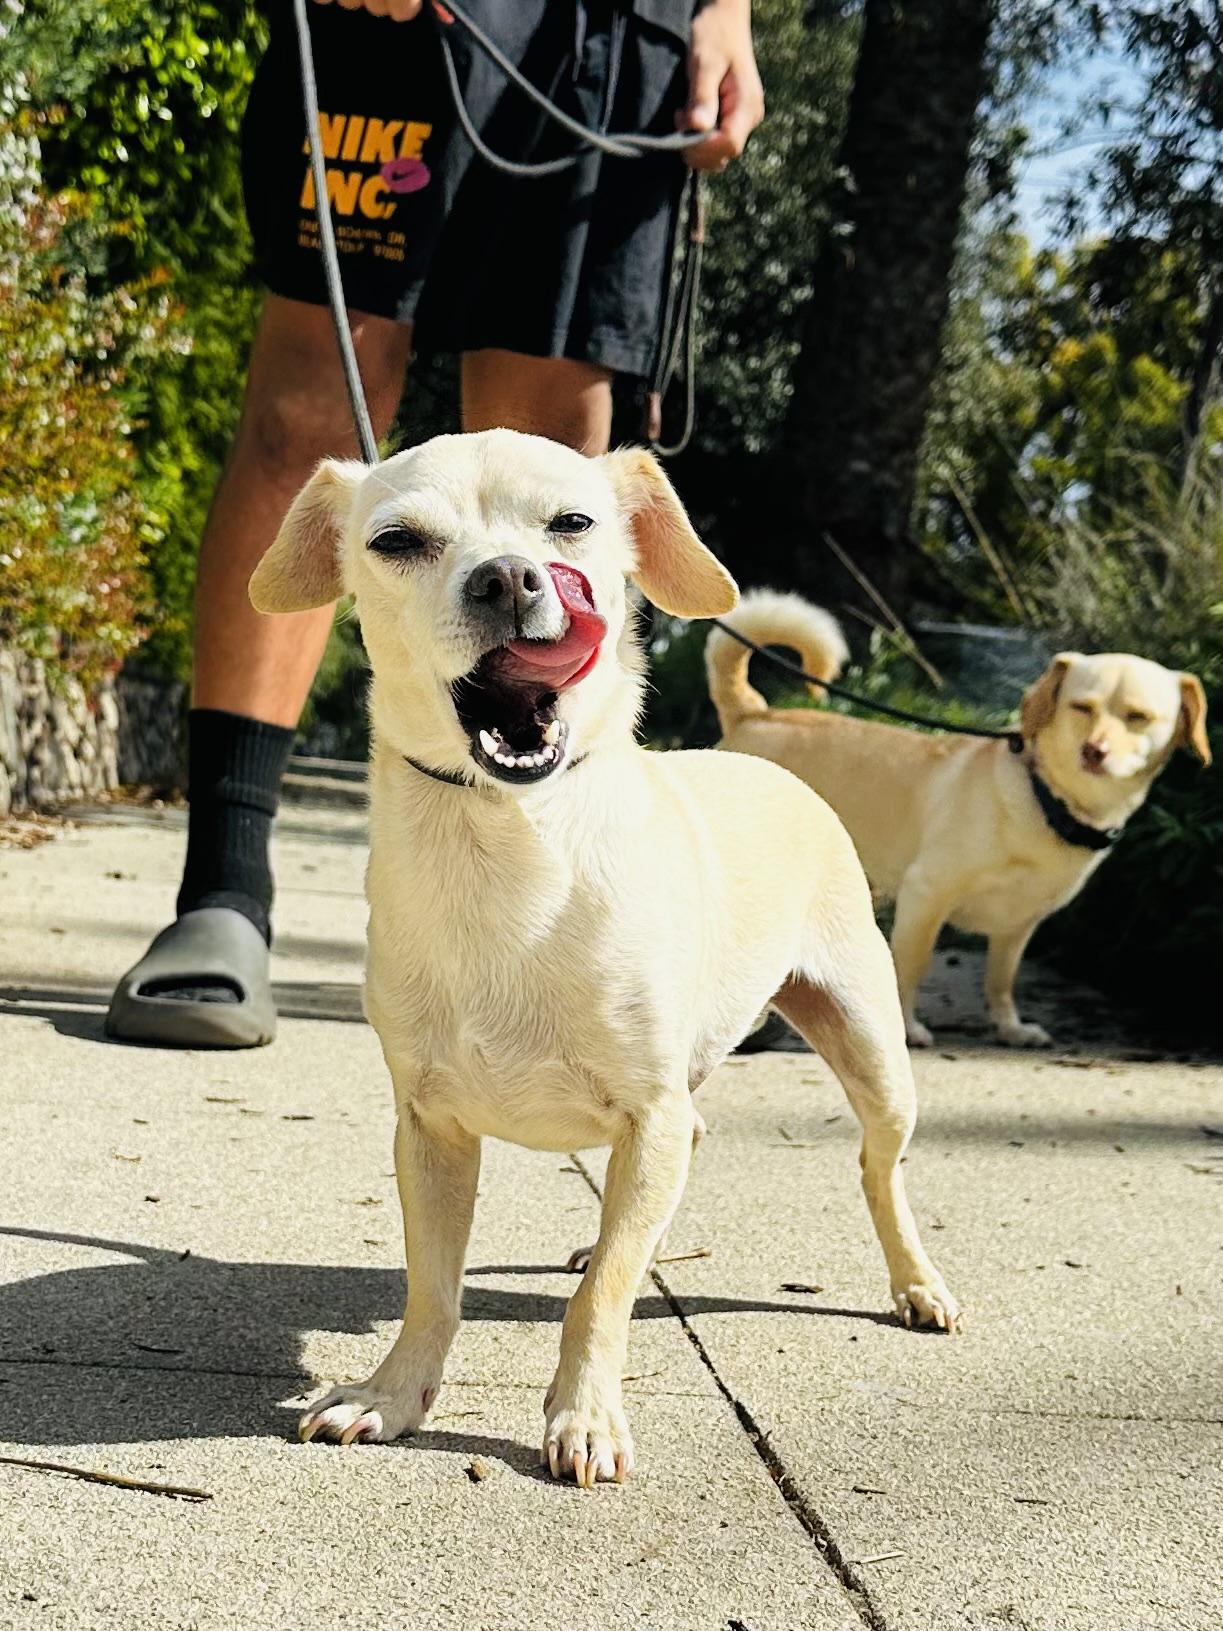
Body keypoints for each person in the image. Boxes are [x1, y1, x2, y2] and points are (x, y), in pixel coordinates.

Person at [107, 0, 763, 1047]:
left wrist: (723, 6)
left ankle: (608, 937)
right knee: (304, 422)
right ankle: (221, 895)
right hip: (393, 31)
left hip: (613, 36)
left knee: (550, 458)